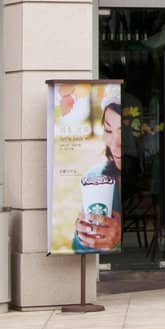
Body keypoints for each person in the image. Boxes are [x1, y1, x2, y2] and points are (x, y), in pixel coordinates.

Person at [73, 102, 123, 252]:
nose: (115, 145)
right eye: (108, 130)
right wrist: (82, 235)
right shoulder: (96, 176)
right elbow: (79, 247)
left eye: (123, 132)